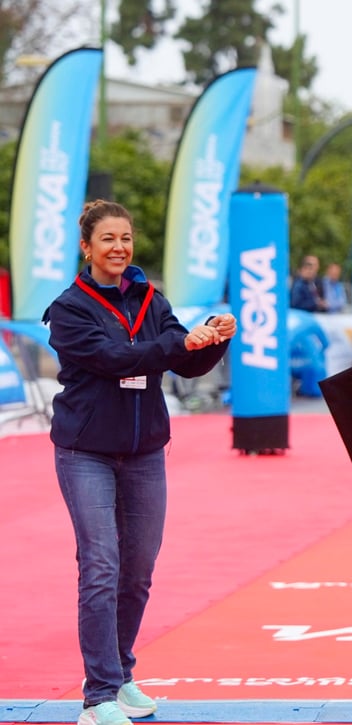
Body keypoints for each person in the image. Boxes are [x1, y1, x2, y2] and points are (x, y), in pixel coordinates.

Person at [43, 200, 237, 725]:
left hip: (146, 451)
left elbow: (185, 363)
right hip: (85, 452)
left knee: (139, 571)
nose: (119, 248)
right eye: (107, 239)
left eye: (125, 238)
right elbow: (113, 359)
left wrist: (213, 340)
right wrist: (178, 341)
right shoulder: (69, 309)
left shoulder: (153, 299)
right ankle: (98, 696)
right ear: (86, 247)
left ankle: (120, 673)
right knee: (101, 565)